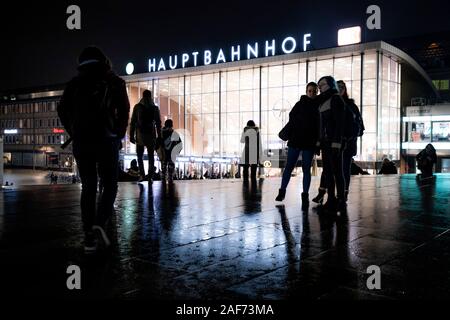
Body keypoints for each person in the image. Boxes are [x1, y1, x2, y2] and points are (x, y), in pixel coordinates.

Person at [58, 46, 130, 254]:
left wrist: (73, 129)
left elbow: (62, 109)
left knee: (88, 187)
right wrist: (118, 133)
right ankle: (100, 222)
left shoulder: (75, 83)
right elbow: (124, 110)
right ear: (104, 61)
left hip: (82, 141)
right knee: (109, 184)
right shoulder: (115, 82)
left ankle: (88, 235)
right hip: (106, 140)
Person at [275, 82, 319, 211]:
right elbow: (292, 119)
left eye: (314, 91)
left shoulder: (316, 105)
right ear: (306, 91)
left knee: (306, 168)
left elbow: (318, 125)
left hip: (308, 142)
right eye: (310, 91)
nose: (312, 93)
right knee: (289, 166)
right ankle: (282, 191)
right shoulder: (301, 104)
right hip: (297, 140)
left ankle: (304, 194)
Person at [315, 76, 346, 212]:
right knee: (328, 171)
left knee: (337, 171)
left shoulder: (335, 99)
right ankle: (332, 199)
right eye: (319, 85)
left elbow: (340, 123)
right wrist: (318, 142)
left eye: (322, 84)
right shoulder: (324, 101)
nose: (320, 87)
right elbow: (320, 125)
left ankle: (340, 199)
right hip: (326, 143)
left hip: (333, 142)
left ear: (329, 84)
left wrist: (337, 143)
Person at [129, 89, 162, 183]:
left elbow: (133, 122)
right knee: (151, 156)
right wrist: (159, 136)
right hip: (151, 134)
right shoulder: (154, 108)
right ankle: (150, 176)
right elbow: (158, 123)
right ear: (150, 96)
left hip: (140, 134)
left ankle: (142, 175)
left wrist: (131, 135)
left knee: (139, 156)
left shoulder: (137, 107)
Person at [157, 119, 183, 183]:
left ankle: (164, 178)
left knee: (164, 166)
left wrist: (158, 150)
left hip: (164, 154)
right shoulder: (174, 133)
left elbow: (157, 143)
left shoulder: (161, 133)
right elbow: (180, 144)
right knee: (170, 167)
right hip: (171, 154)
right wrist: (177, 151)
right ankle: (169, 178)